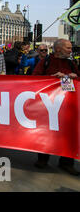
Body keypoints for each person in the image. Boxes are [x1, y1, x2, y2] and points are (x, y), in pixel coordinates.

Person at [32, 39, 79, 176]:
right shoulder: (46, 62)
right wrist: (51, 78)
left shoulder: (71, 63)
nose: (71, 50)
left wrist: (74, 76)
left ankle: (67, 162)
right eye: (68, 48)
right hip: (50, 105)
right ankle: (43, 159)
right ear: (58, 49)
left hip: (67, 105)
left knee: (68, 134)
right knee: (47, 132)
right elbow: (35, 78)